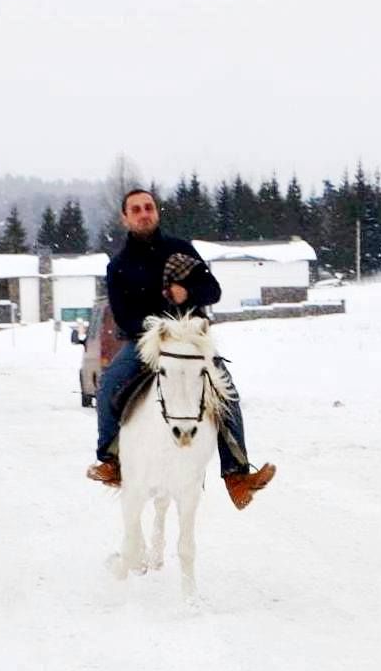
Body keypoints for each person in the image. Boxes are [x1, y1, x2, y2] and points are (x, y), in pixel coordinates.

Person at [86, 189, 276, 510]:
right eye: (136, 210)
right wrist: (156, 331)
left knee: (225, 392)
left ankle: (236, 475)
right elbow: (123, 316)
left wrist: (186, 292)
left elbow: (212, 290)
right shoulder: (118, 266)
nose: (144, 213)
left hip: (190, 338)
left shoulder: (181, 250)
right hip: (146, 342)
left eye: (148, 207)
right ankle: (111, 460)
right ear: (125, 218)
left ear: (156, 212)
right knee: (108, 384)